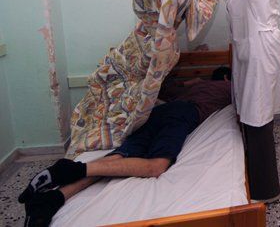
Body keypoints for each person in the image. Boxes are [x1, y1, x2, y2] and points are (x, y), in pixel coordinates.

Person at [18, 68, 232, 227]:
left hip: (156, 114)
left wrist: (191, 83)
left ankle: (51, 200)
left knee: (117, 159)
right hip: (183, 114)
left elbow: (164, 88)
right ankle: (72, 169)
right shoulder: (228, 87)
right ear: (226, 77)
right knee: (156, 166)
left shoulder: (195, 87)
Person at [186, 0, 280, 203]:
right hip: (247, 51)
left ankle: (267, 191)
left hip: (260, 51)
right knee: (249, 111)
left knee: (258, 115)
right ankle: (252, 171)